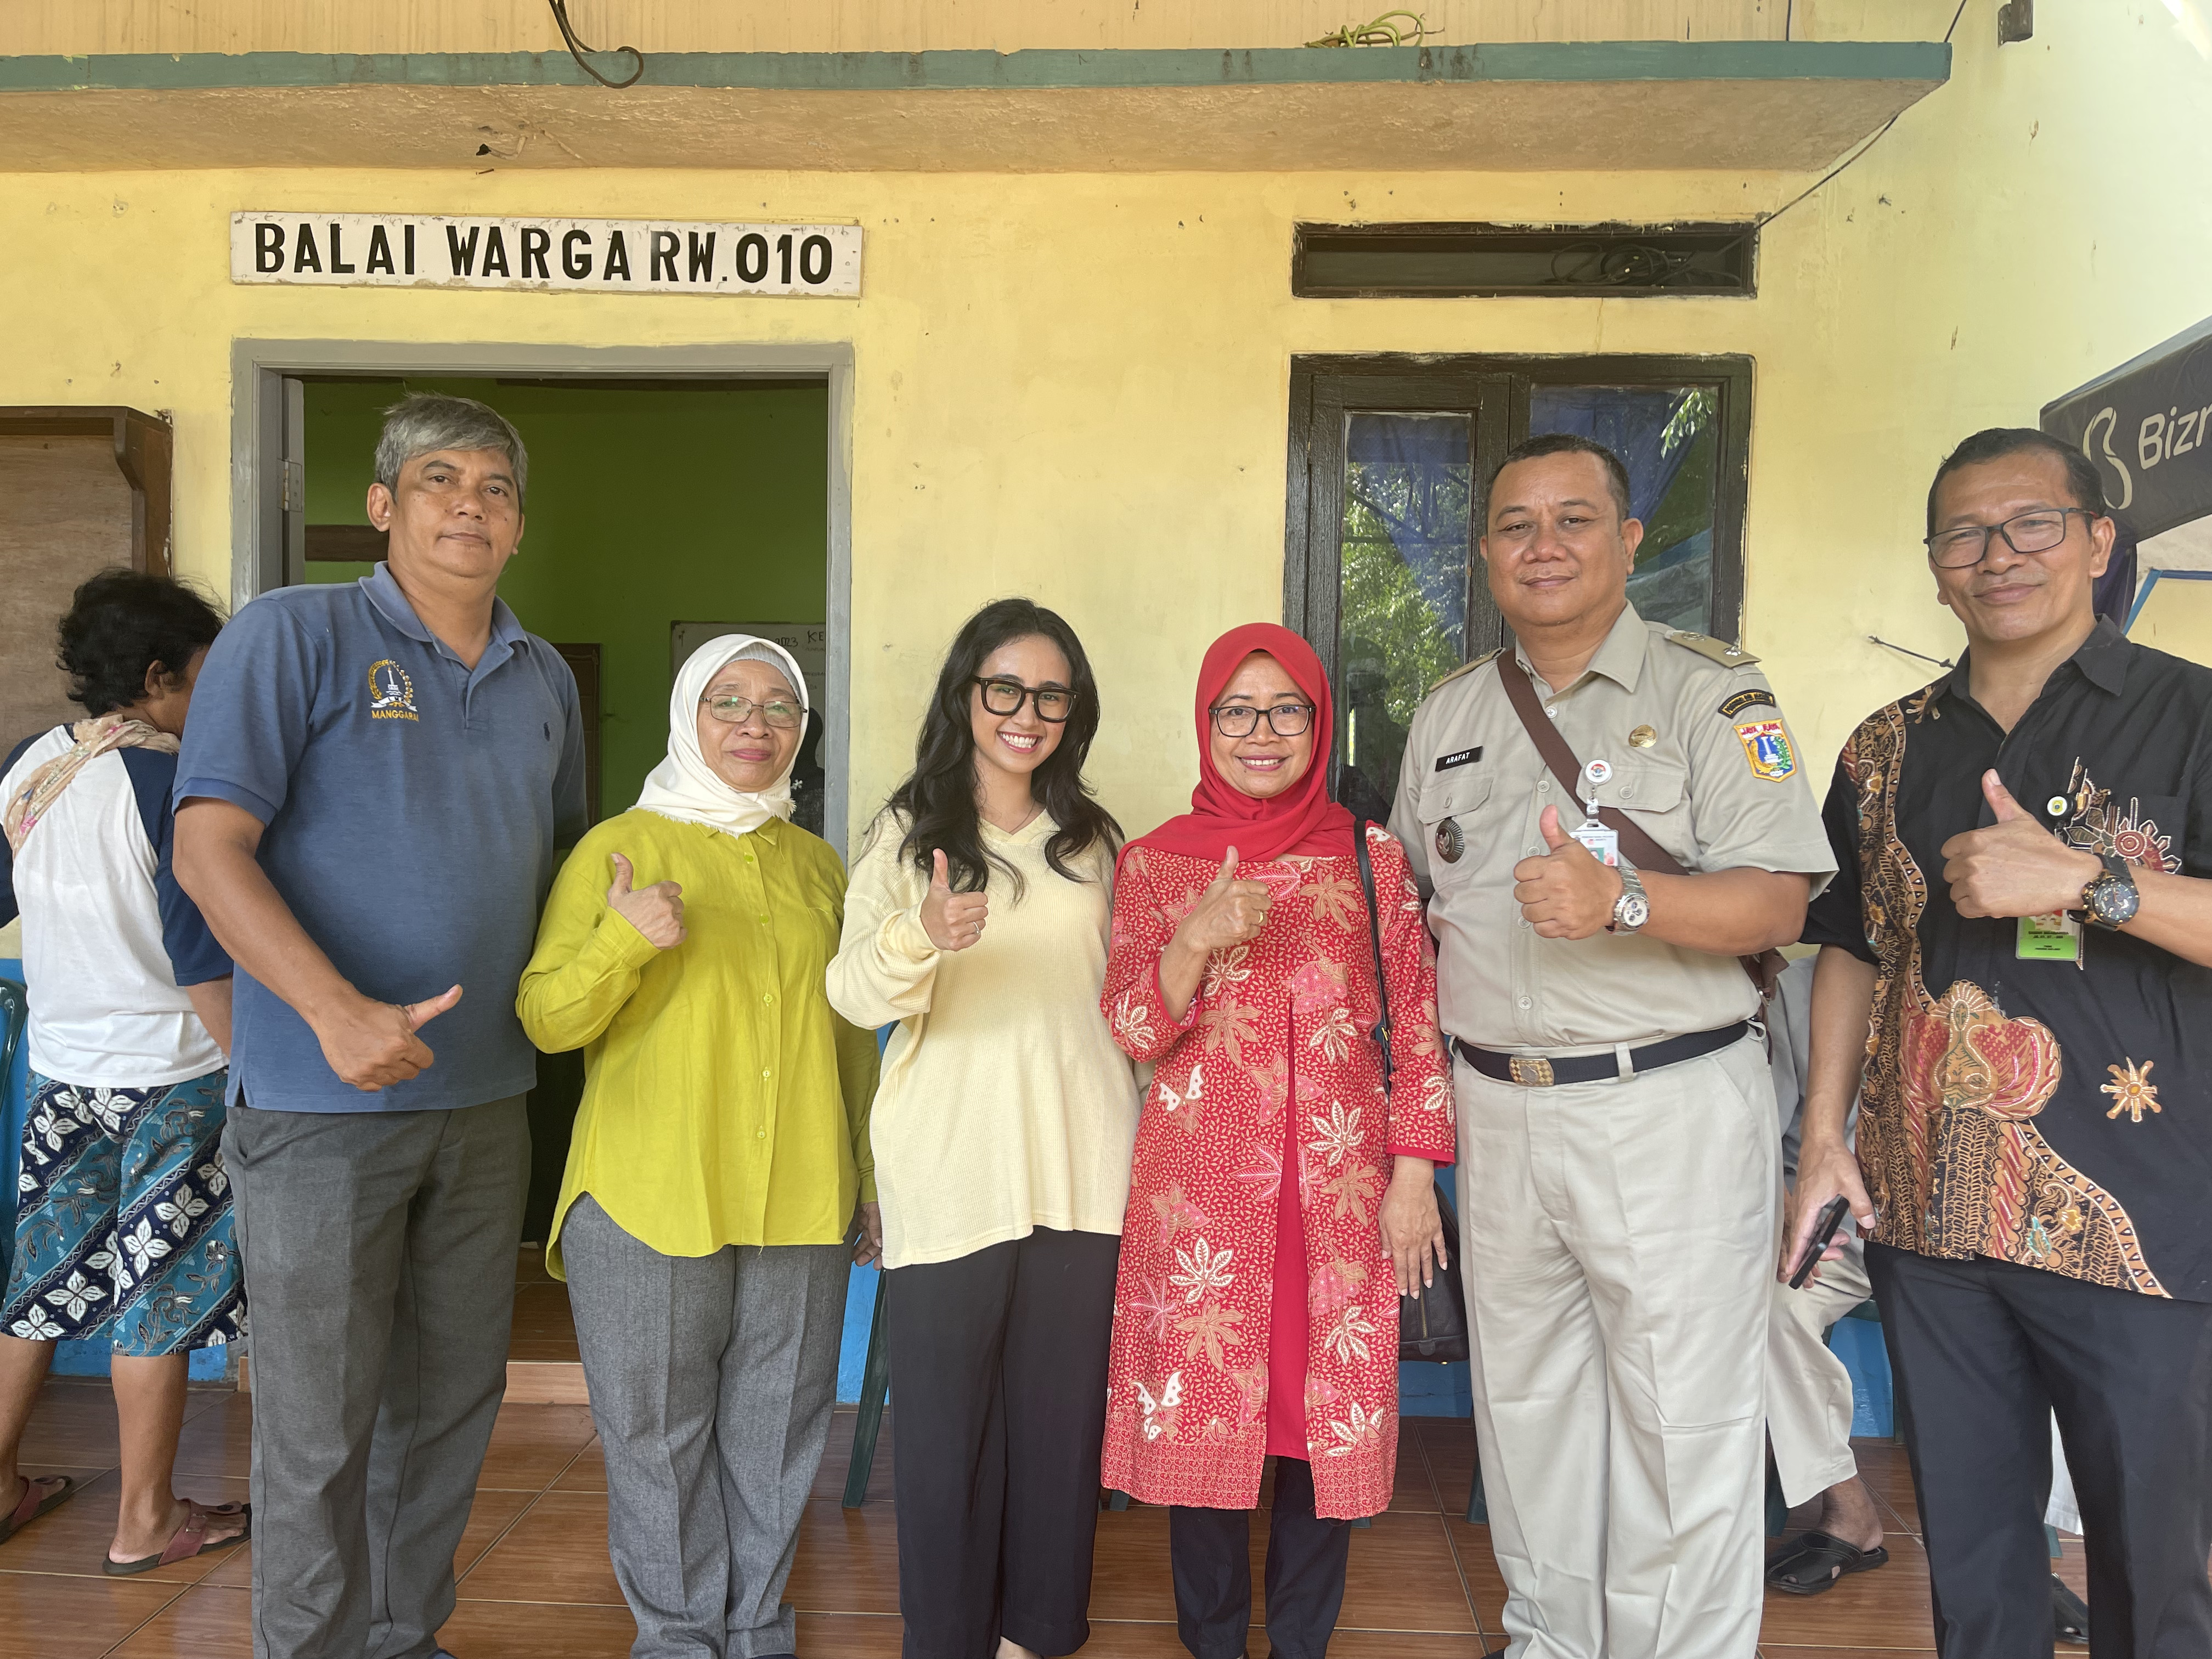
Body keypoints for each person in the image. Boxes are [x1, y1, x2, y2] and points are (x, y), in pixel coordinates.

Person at [1390, 432, 1835, 1659]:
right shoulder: (1449, 714)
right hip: (1500, 1106)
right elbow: (1415, 912)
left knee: (1679, 1424)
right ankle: (1551, 1640)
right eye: (1516, 524)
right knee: (1527, 1411)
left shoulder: (1709, 692)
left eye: (1573, 518)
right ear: (1486, 554)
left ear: (1629, 540)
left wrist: (1624, 900)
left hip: (1667, 1101)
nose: (1544, 545)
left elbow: (1780, 903)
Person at [1786, 427, 2212, 1658]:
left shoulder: (2189, 714)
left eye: (2031, 524)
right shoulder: (1884, 747)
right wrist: (1822, 1137)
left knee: (2153, 1570)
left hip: (2137, 1221)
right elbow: (1852, 944)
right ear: (1935, 568)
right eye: (1964, 535)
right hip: (1930, 1216)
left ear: (2097, 541)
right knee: (1974, 1568)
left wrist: (2089, 881)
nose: (1998, 555)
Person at [173, 393, 587, 1659]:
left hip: (485, 1103)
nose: (471, 504)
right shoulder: (292, 635)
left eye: (496, 488)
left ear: (520, 524)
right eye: (439, 480)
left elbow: (565, 879)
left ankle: (402, 1638)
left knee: (450, 1403)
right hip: (320, 1106)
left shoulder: (544, 676)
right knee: (319, 1424)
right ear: (381, 506)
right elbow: (206, 849)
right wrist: (333, 1011)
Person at [518, 633, 878, 1659]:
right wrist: (623, 939)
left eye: (779, 706)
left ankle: (757, 1628)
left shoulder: (818, 864)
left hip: (801, 1190)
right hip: (648, 1191)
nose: (754, 724)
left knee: (780, 1433)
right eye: (728, 701)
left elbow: (850, 1040)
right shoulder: (619, 846)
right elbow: (546, 1017)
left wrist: (867, 1175)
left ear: (801, 729)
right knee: (656, 1438)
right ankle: (677, 1637)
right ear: (689, 715)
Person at [1099, 623, 1455, 1659]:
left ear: (1319, 721)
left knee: (1315, 1428)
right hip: (1201, 1201)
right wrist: (1193, 937)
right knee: (1207, 1428)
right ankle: (1211, 1641)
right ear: (1206, 722)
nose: (1262, 733)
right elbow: (1133, 1027)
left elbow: (1417, 1024)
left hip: (1340, 1200)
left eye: (1286, 710)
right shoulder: (1157, 862)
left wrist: (1413, 1177)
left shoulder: (1370, 856)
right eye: (1238, 712)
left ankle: (1301, 1642)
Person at [825, 598, 1137, 1659]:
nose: (1026, 712)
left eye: (1051, 695)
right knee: (946, 1428)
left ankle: (1039, 1633)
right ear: (965, 692)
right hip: (950, 1164)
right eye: (1005, 687)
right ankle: (949, 1636)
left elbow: (1134, 1002)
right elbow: (850, 992)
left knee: (1056, 1424)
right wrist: (919, 931)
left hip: (1081, 1165)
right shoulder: (905, 833)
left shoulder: (1095, 843)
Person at [0, 570, 247, 1573]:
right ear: (155, 678)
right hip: (172, 1076)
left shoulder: (29, 768)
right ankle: (145, 1519)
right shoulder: (170, 784)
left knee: (40, 1281)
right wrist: (254, 1074)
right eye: (203, 678)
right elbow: (203, 961)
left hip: (61, 1071)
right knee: (161, 1293)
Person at [1759, 954, 1887, 1596]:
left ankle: (2026, 1551)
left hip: (1962, 1224)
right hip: (1827, 1218)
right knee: (1768, 1307)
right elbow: (1764, 1128)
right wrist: (1784, 1209)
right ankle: (1849, 1504)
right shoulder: (1802, 985)